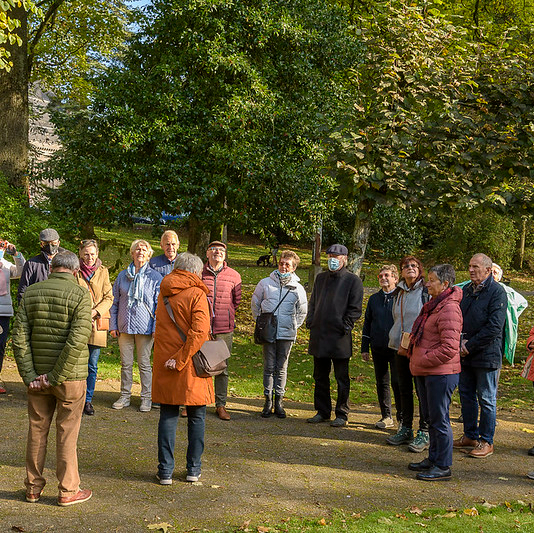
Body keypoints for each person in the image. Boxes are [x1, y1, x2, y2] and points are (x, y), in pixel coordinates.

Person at [12, 251, 93, 506]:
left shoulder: (32, 293)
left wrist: (30, 376)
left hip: (37, 377)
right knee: (67, 432)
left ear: (51, 269)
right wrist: (55, 376)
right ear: (75, 271)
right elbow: (78, 340)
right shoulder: (81, 294)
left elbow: (19, 339)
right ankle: (68, 491)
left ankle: (32, 489)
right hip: (70, 378)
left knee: (37, 430)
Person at [152, 252, 213, 484]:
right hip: (191, 362)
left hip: (165, 360)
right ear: (196, 272)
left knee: (168, 414)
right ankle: (193, 469)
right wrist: (181, 358)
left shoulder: (164, 291)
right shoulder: (197, 293)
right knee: (197, 415)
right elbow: (199, 332)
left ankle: (165, 470)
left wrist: (174, 358)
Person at [407, 264, 462, 481]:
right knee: (431, 418)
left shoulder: (449, 308)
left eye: (431, 280)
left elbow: (449, 348)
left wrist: (423, 359)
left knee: (440, 420)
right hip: (428, 372)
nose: (427, 283)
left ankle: (443, 465)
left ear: (445, 284)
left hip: (440, 374)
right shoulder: (435, 305)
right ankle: (433, 458)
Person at [453, 253, 507, 458]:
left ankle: (486, 441)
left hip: (486, 355)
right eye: (469, 266)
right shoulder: (466, 290)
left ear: (487, 269)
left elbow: (494, 327)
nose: (471, 270)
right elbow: (457, 317)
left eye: (475, 266)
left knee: (486, 399)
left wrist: (470, 345)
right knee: (466, 395)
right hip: (465, 354)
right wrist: (459, 343)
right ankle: (470, 436)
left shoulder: (497, 292)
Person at [306, 244, 363, 427]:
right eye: (329, 255)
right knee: (320, 376)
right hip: (319, 334)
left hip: (339, 337)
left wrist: (344, 326)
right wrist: (311, 321)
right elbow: (313, 301)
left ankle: (342, 413)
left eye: (336, 257)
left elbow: (355, 309)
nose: (332, 259)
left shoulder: (353, 281)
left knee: (341, 378)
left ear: (344, 259)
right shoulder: (321, 278)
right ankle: (322, 411)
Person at [251, 250, 308, 418]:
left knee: (281, 367)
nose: (283, 266)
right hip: (268, 332)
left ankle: (279, 401)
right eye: (281, 263)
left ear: (293, 267)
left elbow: (302, 311)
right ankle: (267, 401)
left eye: (287, 264)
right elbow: (256, 304)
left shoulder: (297, 288)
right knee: (269, 366)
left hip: (286, 333)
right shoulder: (265, 283)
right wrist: (262, 323)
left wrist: (293, 326)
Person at [110, 239, 162, 412]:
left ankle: (146, 398)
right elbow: (115, 302)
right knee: (125, 363)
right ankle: (125, 396)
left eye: (144, 249)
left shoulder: (155, 278)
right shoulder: (122, 276)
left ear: (149, 254)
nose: (140, 252)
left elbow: (158, 307)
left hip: (145, 328)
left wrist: (156, 328)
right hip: (124, 326)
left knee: (144, 364)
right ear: (132, 253)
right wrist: (113, 325)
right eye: (137, 249)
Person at [386, 255, 431, 452]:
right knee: (403, 388)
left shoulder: (426, 290)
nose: (410, 268)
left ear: (420, 269)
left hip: (420, 347)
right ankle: (405, 428)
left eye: (414, 265)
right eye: (406, 266)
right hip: (400, 347)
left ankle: (424, 431)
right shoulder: (399, 292)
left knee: (422, 391)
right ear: (401, 272)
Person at [202, 241, 242, 420]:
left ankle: (221, 404)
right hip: (201, 328)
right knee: (199, 365)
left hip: (224, 329)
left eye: (221, 250)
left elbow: (237, 301)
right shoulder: (199, 273)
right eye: (213, 250)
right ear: (207, 254)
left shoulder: (234, 276)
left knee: (222, 368)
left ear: (225, 255)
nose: (217, 252)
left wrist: (226, 314)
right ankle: (194, 403)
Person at [75, 239, 113, 416]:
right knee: (74, 362)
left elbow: (109, 297)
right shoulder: (74, 272)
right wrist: (84, 313)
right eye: (86, 254)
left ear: (97, 254)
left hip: (97, 324)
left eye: (92, 254)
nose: (89, 257)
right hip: (77, 323)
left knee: (92, 364)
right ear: (80, 254)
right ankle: (74, 397)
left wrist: (95, 312)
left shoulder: (103, 272)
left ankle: (87, 400)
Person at [361, 264, 401, 429]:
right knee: (382, 382)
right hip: (378, 347)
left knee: (398, 383)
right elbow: (367, 323)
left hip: (397, 348)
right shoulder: (374, 299)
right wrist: (365, 347)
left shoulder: (401, 297)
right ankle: (386, 416)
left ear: (395, 278)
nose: (383, 278)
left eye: (387, 275)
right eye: (381, 276)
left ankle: (402, 419)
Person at [0, 239, 25, 393]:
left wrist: (16, 254)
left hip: (3, 312)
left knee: (0, 346)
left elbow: (22, 272)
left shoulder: (5, 265)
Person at [491, 263, 528, 365]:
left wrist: (512, 316)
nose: (492, 274)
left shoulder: (507, 291)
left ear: (499, 277)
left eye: (495, 272)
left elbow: (523, 303)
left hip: (500, 333)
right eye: (490, 271)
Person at [17, 228, 64, 303]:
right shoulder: (31, 264)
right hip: (37, 308)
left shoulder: (66, 262)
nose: (50, 246)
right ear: (41, 244)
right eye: (46, 243)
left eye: (53, 243)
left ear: (58, 243)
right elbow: (23, 291)